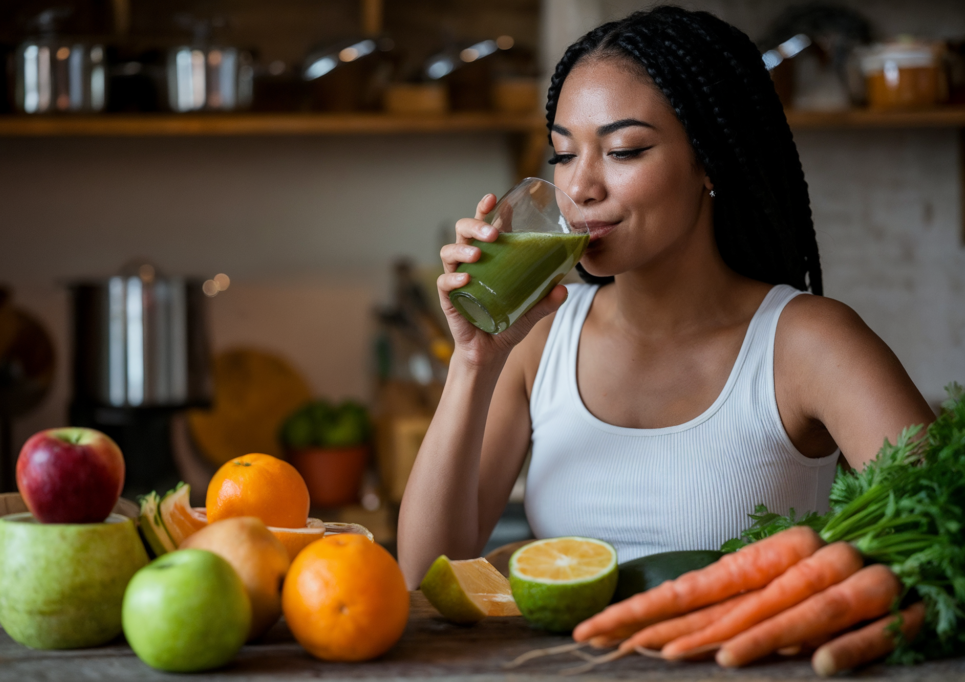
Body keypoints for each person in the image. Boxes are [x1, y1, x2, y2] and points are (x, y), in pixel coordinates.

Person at [396, 6, 933, 588]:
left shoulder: (809, 344)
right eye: (564, 153)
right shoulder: (541, 338)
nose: (580, 187)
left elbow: (944, 533)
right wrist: (475, 360)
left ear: (707, 160)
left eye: (623, 150)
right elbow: (426, 578)